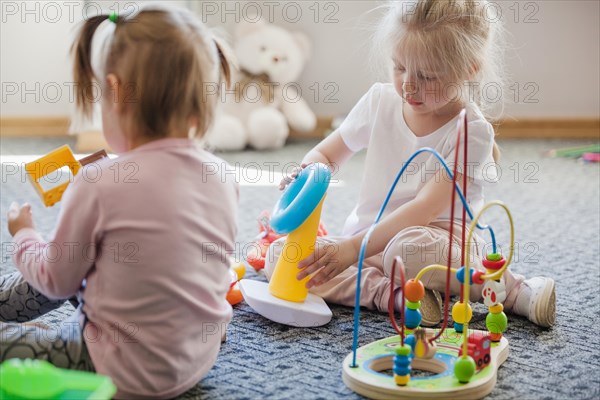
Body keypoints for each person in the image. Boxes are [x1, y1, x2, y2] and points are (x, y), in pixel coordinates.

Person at [268, 0, 555, 328]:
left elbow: (424, 209)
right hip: (370, 240)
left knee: (406, 250)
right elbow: (325, 156)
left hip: (438, 242)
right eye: (399, 66)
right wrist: (306, 177)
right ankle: (392, 295)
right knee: (282, 257)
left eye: (427, 75)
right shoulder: (379, 101)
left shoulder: (472, 131)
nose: (407, 85)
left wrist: (349, 250)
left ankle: (504, 286)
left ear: (469, 69)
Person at [1, 5, 238, 398]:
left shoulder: (98, 183)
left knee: (40, 269)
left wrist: (24, 235)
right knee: (63, 258)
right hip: (196, 357)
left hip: (117, 369)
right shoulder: (223, 175)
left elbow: (57, 282)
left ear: (113, 91)